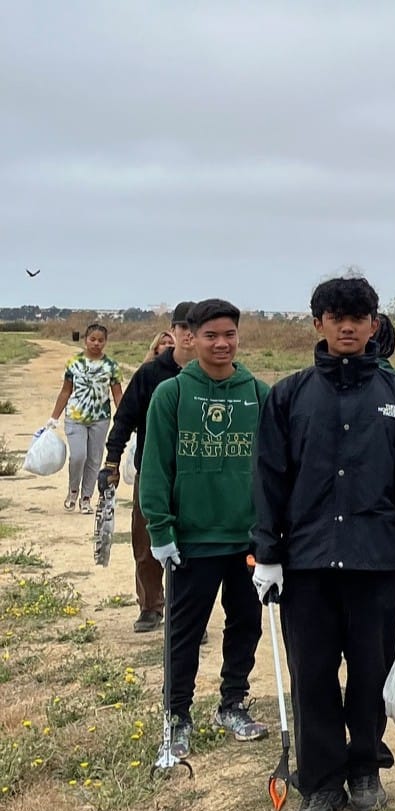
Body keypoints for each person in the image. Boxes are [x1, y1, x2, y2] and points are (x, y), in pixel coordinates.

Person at [253, 277, 395, 811]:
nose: (347, 327)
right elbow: (269, 477)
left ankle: (365, 767)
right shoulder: (289, 396)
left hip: (376, 559)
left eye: (357, 318)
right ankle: (320, 782)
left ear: (373, 325)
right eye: (336, 318)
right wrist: (266, 553)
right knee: (313, 674)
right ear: (317, 323)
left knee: (371, 671)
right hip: (307, 563)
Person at [138, 298, 270, 757]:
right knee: (185, 632)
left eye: (229, 334)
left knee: (246, 624)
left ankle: (233, 703)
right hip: (192, 540)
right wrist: (160, 530)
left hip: (246, 538)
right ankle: (177, 716)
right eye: (211, 335)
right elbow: (155, 467)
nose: (221, 343)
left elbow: (274, 468)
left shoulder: (258, 393)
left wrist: (272, 530)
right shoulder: (171, 394)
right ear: (190, 338)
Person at [102, 301, 195, 633]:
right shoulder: (150, 374)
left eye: (195, 328)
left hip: (196, 476)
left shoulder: (210, 376)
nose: (189, 334)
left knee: (191, 546)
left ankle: (186, 614)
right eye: (183, 327)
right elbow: (124, 419)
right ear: (173, 330)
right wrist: (111, 462)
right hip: (152, 472)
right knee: (146, 542)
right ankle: (151, 606)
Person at [48, 322, 123, 514]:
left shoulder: (111, 366)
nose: (96, 343)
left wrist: (125, 418)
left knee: (94, 459)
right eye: (93, 339)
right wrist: (54, 417)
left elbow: (117, 394)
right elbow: (66, 391)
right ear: (85, 340)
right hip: (76, 416)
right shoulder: (74, 363)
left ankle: (86, 498)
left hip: (100, 418)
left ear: (105, 342)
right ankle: (73, 490)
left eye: (100, 340)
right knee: (78, 456)